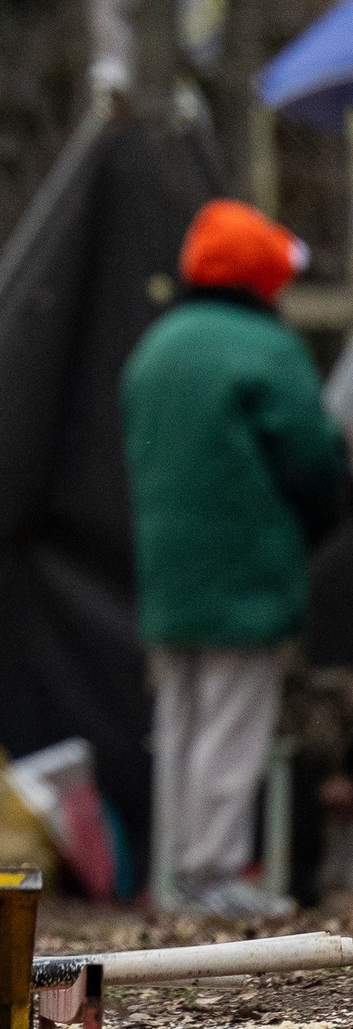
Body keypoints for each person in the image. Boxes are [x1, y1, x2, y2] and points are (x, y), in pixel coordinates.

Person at [122, 198, 351, 919]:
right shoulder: (266, 347)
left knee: (181, 719)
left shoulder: (157, 345)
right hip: (246, 574)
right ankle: (213, 870)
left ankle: (176, 868)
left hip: (167, 575)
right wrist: (319, 520)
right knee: (234, 720)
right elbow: (314, 461)